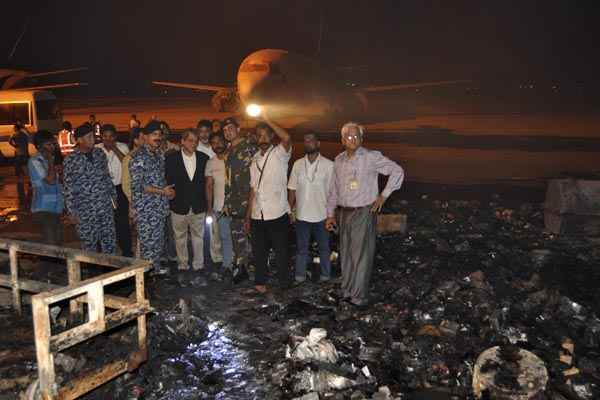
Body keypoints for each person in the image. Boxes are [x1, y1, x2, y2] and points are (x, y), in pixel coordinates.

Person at [325, 122, 405, 307]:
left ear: (361, 139)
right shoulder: (339, 160)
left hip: (363, 211)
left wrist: (383, 196)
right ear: (342, 140)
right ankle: (347, 290)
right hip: (344, 212)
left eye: (356, 136)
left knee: (360, 255)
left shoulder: (371, 157)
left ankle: (358, 297)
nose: (352, 139)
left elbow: (397, 171)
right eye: (349, 136)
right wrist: (330, 214)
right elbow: (333, 189)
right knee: (346, 254)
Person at [247, 116, 292, 293]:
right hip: (258, 213)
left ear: (272, 136)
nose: (263, 138)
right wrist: (248, 216)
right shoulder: (254, 159)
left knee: (281, 251)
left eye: (266, 135)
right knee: (259, 252)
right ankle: (260, 283)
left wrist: (266, 117)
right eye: (259, 135)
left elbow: (287, 138)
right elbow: (252, 189)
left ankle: (284, 284)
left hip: (277, 212)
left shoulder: (280, 153)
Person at [288, 132, 334, 283]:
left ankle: (325, 276)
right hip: (302, 215)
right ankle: (300, 276)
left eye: (311, 140)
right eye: (305, 140)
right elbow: (292, 189)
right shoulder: (297, 164)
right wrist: (290, 209)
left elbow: (333, 193)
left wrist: (331, 215)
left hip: (322, 216)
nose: (308, 143)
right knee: (302, 250)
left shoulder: (329, 165)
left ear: (318, 143)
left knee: (324, 249)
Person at [63, 124, 117, 254]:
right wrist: (72, 213)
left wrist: (114, 200)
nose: (93, 139)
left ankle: (110, 271)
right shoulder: (71, 160)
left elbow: (107, 178)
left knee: (109, 242)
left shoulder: (99, 154)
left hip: (104, 207)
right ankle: (91, 272)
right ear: (80, 140)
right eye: (89, 137)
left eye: (93, 136)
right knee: (89, 246)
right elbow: (68, 188)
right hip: (85, 210)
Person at [129, 121, 174, 271]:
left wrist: (168, 191)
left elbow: (160, 179)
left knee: (157, 242)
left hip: (159, 207)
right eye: (154, 134)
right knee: (148, 244)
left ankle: (155, 269)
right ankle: (146, 277)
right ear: (145, 136)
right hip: (146, 209)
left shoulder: (159, 155)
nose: (158, 137)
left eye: (159, 135)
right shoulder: (139, 157)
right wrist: (163, 192)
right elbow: (138, 186)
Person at [165, 129, 209, 271]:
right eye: (190, 140)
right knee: (179, 238)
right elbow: (167, 181)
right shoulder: (171, 159)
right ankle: (182, 264)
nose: (193, 144)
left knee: (199, 237)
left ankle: (199, 265)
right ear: (182, 142)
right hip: (178, 205)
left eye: (196, 141)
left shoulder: (204, 158)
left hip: (198, 205)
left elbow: (207, 183)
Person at [222, 117, 257, 274]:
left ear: (238, 128)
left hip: (249, 202)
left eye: (230, 128)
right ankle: (241, 269)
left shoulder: (249, 148)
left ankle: (254, 269)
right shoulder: (229, 151)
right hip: (235, 204)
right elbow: (228, 180)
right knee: (238, 238)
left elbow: (257, 176)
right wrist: (226, 202)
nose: (227, 132)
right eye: (224, 130)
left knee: (252, 237)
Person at [97, 124, 133, 257]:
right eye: (105, 136)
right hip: (103, 189)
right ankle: (105, 251)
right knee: (105, 220)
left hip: (119, 188)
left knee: (122, 221)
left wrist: (115, 148)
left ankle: (127, 251)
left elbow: (127, 164)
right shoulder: (97, 149)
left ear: (115, 136)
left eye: (111, 136)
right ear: (101, 137)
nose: (108, 139)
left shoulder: (122, 146)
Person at [28, 130, 64, 245]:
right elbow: (50, 181)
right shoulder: (35, 161)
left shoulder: (50, 160)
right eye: (49, 144)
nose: (52, 147)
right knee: (51, 245)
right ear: (39, 146)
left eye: (53, 143)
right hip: (44, 209)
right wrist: (50, 162)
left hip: (57, 207)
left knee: (58, 243)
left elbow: (59, 182)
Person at [205, 132, 233, 271]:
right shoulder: (211, 163)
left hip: (236, 206)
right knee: (224, 236)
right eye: (214, 143)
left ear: (225, 141)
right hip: (219, 207)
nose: (217, 145)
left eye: (219, 141)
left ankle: (239, 263)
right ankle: (227, 264)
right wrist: (209, 208)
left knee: (239, 237)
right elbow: (209, 186)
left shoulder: (233, 158)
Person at [122, 127, 144, 202]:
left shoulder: (146, 155)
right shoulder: (128, 159)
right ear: (135, 140)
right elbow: (126, 185)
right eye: (143, 138)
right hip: (137, 201)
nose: (146, 141)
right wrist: (132, 201)